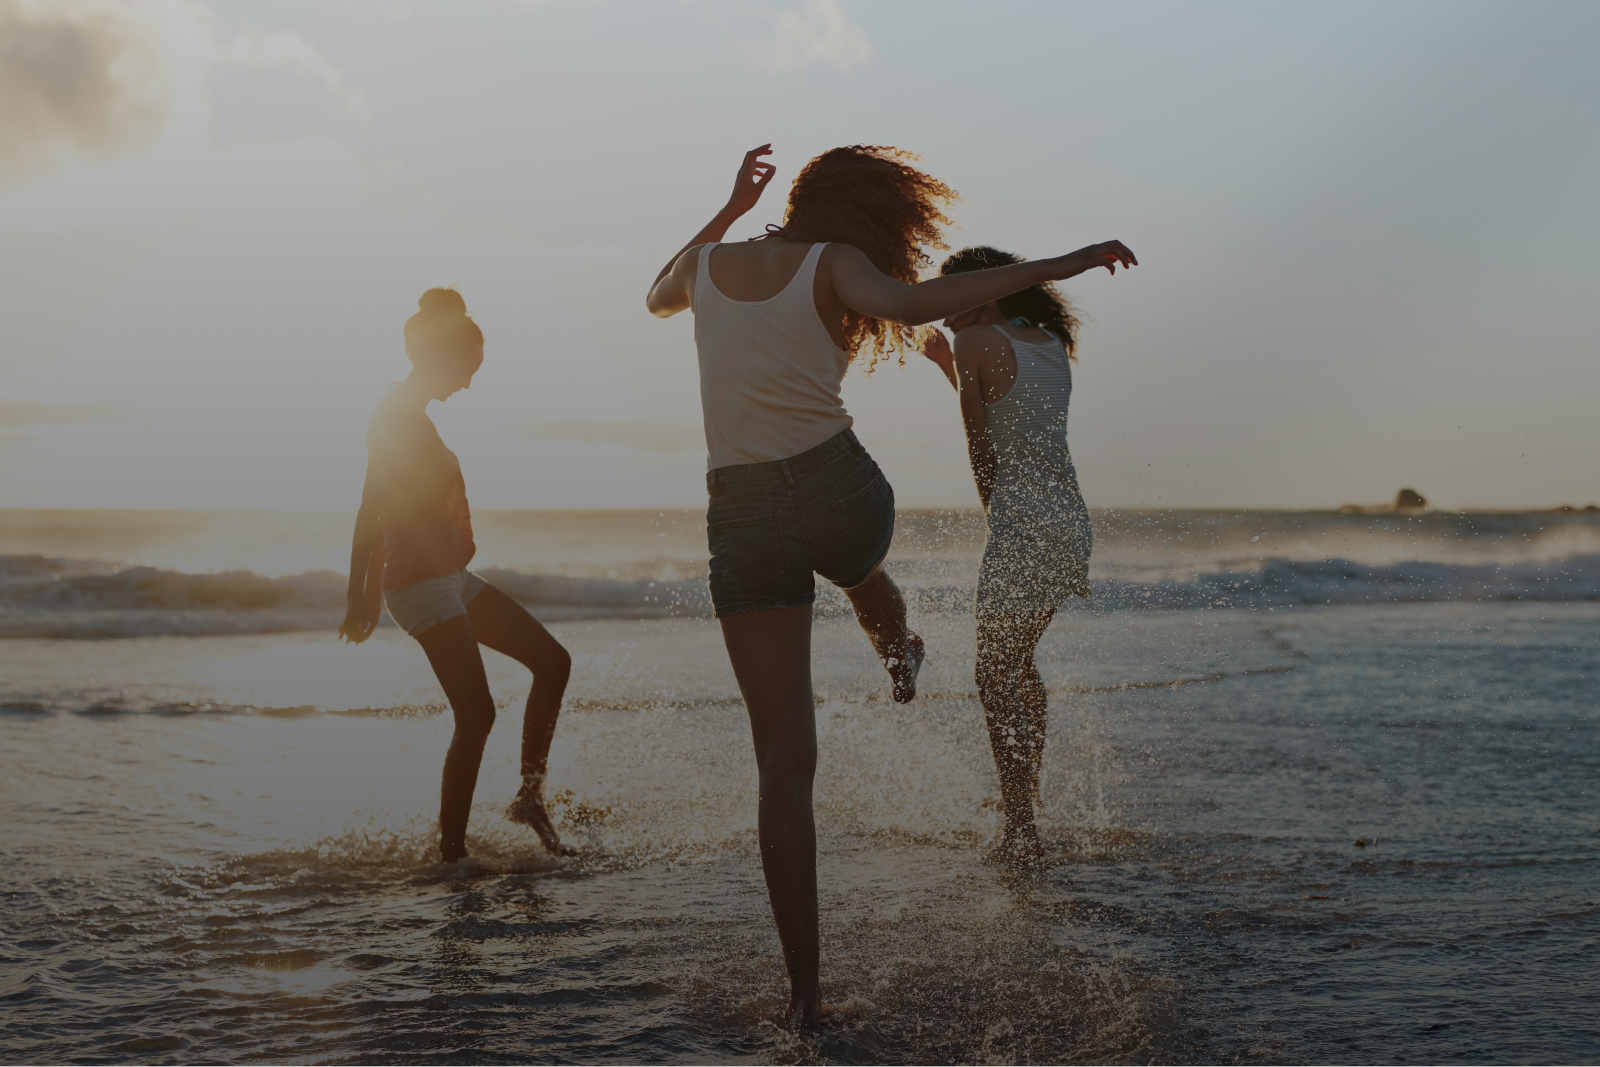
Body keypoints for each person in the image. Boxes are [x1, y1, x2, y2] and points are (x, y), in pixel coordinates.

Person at [645, 144, 1136, 1027]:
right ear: (873, 218)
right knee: (861, 567)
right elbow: (914, 305)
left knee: (783, 768)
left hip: (742, 514)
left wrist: (725, 208)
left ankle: (803, 998)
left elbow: (655, 295)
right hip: (840, 490)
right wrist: (1067, 262)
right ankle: (897, 636)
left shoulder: (707, 265)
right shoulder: (837, 264)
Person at [339, 288, 575, 864]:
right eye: (468, 369)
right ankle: (451, 856)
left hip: (449, 576)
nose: (468, 383)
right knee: (477, 713)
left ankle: (529, 798)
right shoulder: (394, 417)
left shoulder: (413, 416)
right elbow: (370, 510)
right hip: (417, 584)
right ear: (441, 357)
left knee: (553, 662)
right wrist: (359, 596)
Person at [921, 246, 1120, 868]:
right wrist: (946, 370)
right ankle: (1023, 802)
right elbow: (1015, 416)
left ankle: (1020, 829)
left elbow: (982, 443)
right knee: (1016, 663)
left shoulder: (973, 343)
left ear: (988, 293)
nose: (943, 310)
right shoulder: (1048, 342)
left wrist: (997, 519)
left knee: (992, 675)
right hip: (1068, 522)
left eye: (953, 297)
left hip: (1025, 525)